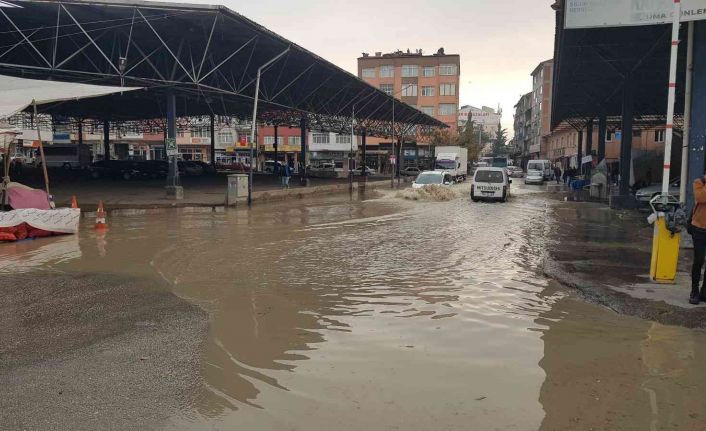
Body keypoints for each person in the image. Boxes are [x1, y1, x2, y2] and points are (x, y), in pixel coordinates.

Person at [689, 176, 706, 304]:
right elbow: (700, 198)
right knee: (699, 259)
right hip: (699, 228)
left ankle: (704, 292)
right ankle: (694, 291)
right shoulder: (699, 182)